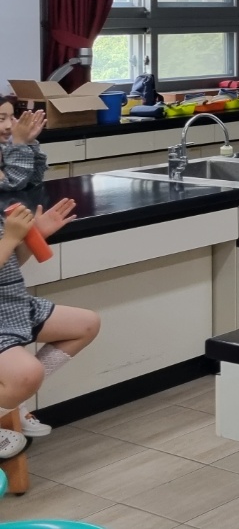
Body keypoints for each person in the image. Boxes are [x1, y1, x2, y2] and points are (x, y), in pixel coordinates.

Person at [0, 199, 100, 454]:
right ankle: (12, 399)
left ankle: (13, 400)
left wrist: (32, 238)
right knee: (27, 374)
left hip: (14, 306)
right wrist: (10, 238)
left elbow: (7, 265)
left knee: (86, 325)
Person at [0, 99, 47, 191]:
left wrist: (28, 142)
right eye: (1, 119)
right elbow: (13, 184)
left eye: (12, 118)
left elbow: (33, 181)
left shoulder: (5, 146)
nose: (9, 125)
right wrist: (19, 144)